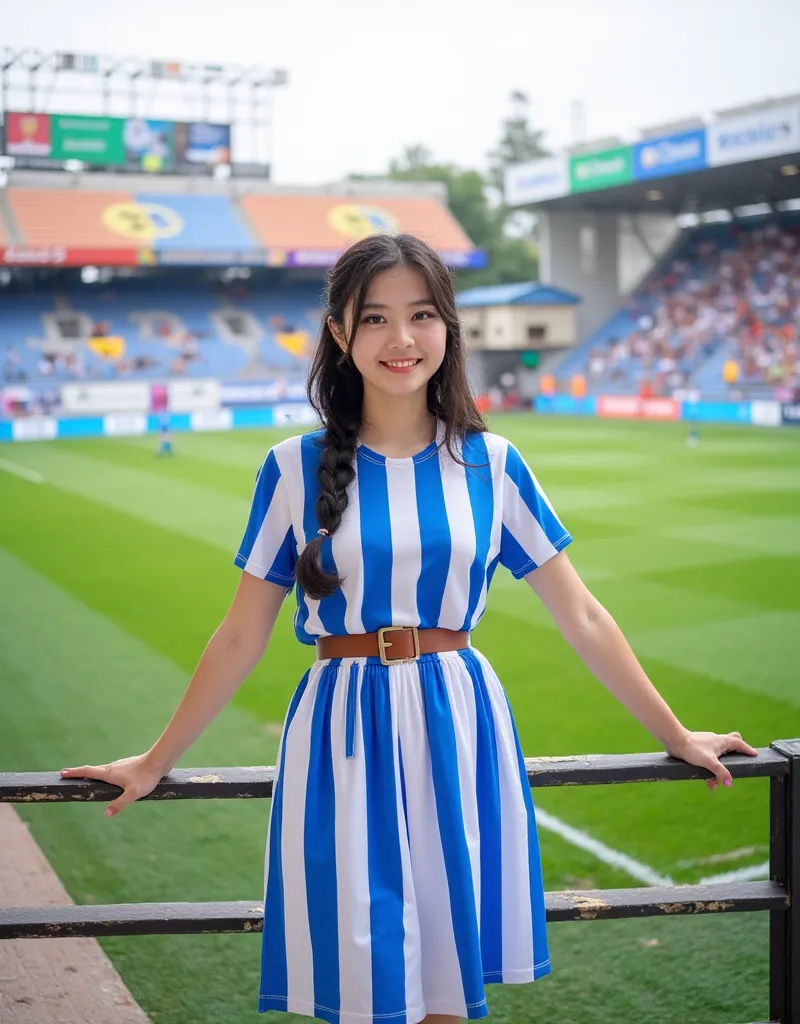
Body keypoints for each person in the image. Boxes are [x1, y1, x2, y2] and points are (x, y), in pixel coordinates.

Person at [60, 234, 757, 1024]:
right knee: (362, 979)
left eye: (422, 315)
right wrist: (155, 762)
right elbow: (239, 636)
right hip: (341, 731)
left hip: (457, 723)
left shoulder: (492, 462)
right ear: (338, 332)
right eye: (377, 319)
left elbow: (583, 614)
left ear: (448, 327)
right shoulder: (291, 468)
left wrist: (676, 734)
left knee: (444, 987)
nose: (402, 340)